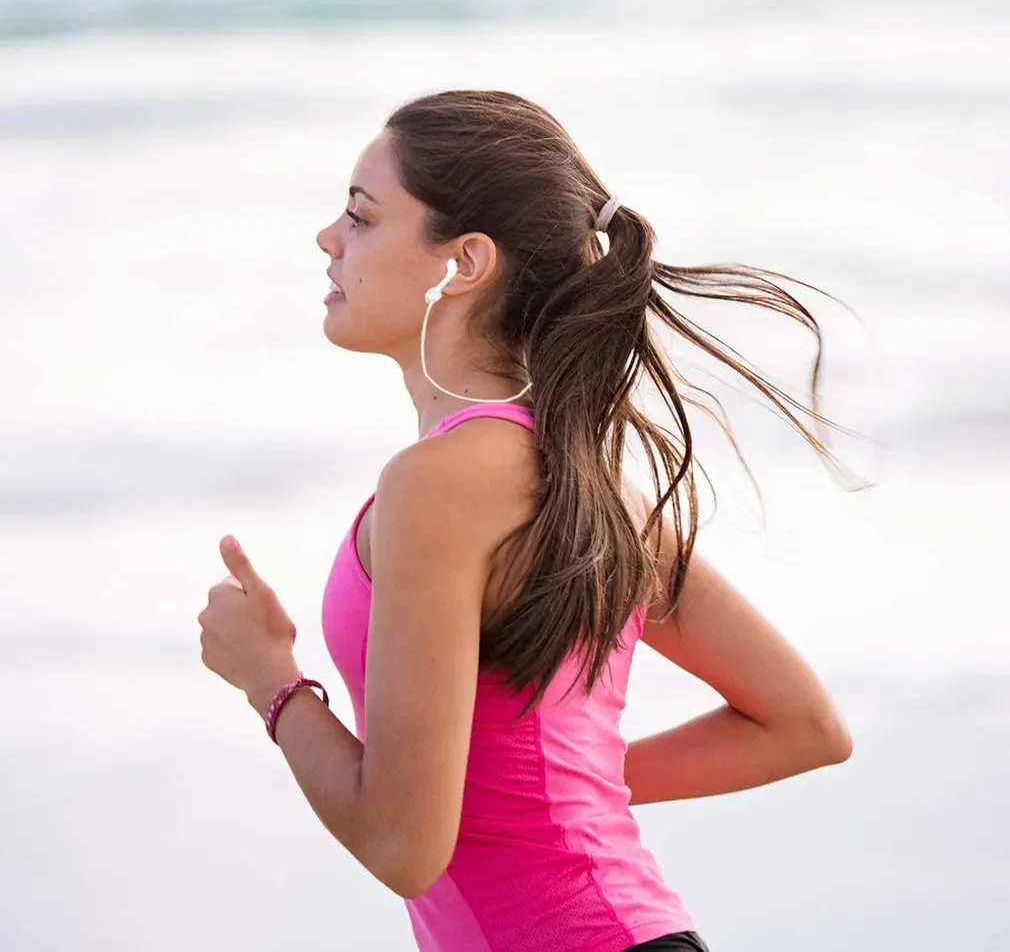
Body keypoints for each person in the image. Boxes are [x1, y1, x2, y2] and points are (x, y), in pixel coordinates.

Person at [198, 89, 856, 952]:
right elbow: (802, 725)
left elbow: (402, 848)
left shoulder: (437, 485)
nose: (328, 238)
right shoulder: (582, 478)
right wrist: (558, 797)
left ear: (465, 262)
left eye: (360, 216)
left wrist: (269, 679)